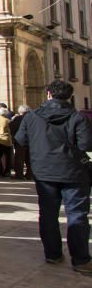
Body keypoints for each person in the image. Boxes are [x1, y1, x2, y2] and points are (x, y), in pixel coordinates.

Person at [14, 80, 92, 274]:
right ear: (69, 96)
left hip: (44, 172)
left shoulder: (31, 117)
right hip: (74, 173)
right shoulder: (78, 117)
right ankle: (81, 260)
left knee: (48, 214)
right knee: (77, 215)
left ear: (48, 94)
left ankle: (52, 254)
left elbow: (20, 140)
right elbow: (86, 145)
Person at [9, 105, 31, 180]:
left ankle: (19, 175)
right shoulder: (33, 118)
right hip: (31, 141)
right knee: (29, 159)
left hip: (20, 141)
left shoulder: (17, 119)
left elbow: (12, 128)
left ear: (20, 111)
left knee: (19, 159)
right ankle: (29, 175)